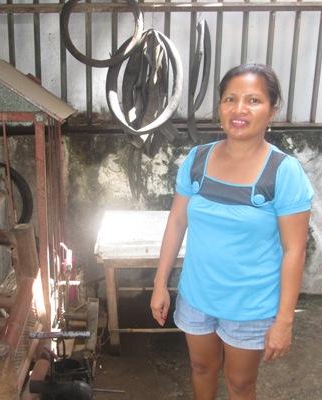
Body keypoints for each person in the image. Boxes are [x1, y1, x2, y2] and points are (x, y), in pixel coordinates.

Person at [150, 63, 313, 400]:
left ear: (272, 110)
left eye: (253, 100)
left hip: (251, 306)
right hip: (197, 296)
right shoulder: (197, 160)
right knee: (201, 368)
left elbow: (294, 250)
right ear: (220, 107)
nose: (239, 109)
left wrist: (284, 321)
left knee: (240, 384)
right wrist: (160, 283)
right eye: (230, 99)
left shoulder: (283, 172)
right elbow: (176, 223)